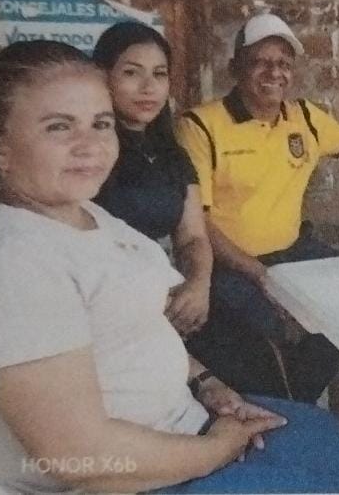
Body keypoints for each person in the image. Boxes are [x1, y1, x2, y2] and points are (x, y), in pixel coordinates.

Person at [0, 40, 339, 494]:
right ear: (0, 148)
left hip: (182, 421)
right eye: (58, 127)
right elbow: (72, 455)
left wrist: (208, 384)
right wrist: (215, 451)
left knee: (323, 439)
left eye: (101, 124)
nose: (89, 145)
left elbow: (142, 325)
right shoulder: (16, 257)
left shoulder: (88, 215)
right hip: (125, 477)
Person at [175, 11, 339, 402]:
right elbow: (199, 222)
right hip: (228, 264)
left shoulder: (305, 118)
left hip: (294, 252)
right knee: (268, 331)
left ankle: (299, 400)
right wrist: (261, 275)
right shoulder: (200, 126)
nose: (274, 72)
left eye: (283, 63)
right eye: (260, 62)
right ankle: (284, 402)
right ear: (235, 68)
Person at [91, 21, 291, 397]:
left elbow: (193, 235)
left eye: (159, 74)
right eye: (132, 73)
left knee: (258, 353)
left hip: (179, 291)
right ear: (102, 77)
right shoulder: (91, 156)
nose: (148, 87)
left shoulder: (171, 154)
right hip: (121, 306)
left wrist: (199, 285)